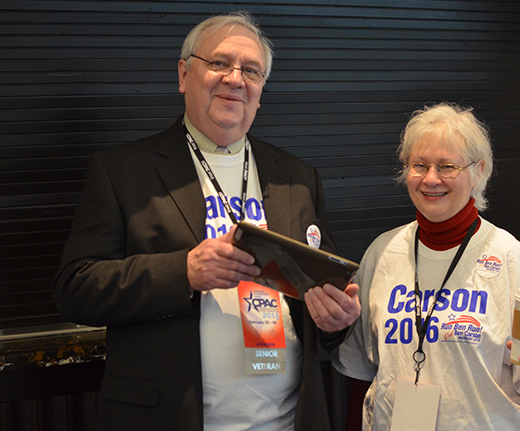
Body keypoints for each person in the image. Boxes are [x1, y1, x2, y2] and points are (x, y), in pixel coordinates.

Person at [53, 12, 360, 431]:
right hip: (169, 418)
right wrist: (184, 271)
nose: (235, 79)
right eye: (219, 63)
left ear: (261, 90)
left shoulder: (298, 178)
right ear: (184, 74)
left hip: (289, 421)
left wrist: (335, 320)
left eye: (251, 70)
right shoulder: (122, 172)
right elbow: (75, 288)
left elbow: (322, 294)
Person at [333, 102, 520, 430]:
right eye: (419, 165)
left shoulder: (508, 257)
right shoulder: (382, 253)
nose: (431, 179)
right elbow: (362, 376)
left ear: (478, 171)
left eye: (447, 166)